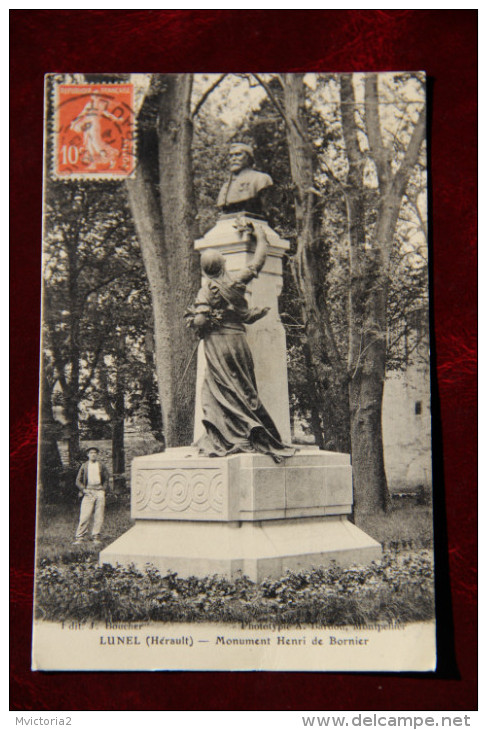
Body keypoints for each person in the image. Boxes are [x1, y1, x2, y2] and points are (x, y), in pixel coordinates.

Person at [186, 221, 294, 463]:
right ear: (222, 266)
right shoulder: (235, 282)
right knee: (243, 388)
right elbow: (258, 261)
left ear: (205, 271)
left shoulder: (207, 291)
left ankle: (230, 436)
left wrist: (196, 321)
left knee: (217, 390)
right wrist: (259, 234)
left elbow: (201, 320)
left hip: (217, 345)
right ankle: (249, 433)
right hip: (238, 342)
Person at [216, 142, 273, 217]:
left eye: (238, 154)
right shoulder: (225, 186)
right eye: (231, 156)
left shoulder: (261, 178)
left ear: (248, 158)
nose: (233, 158)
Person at [72, 447, 111, 546]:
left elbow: (107, 478)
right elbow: (78, 481)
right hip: (88, 492)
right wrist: (84, 490)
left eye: (95, 453)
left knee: (99, 515)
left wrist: (103, 489)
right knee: (85, 515)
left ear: (97, 455)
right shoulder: (84, 466)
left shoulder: (101, 465)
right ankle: (80, 537)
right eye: (91, 453)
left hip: (99, 491)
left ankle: (96, 536)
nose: (93, 454)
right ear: (88, 455)